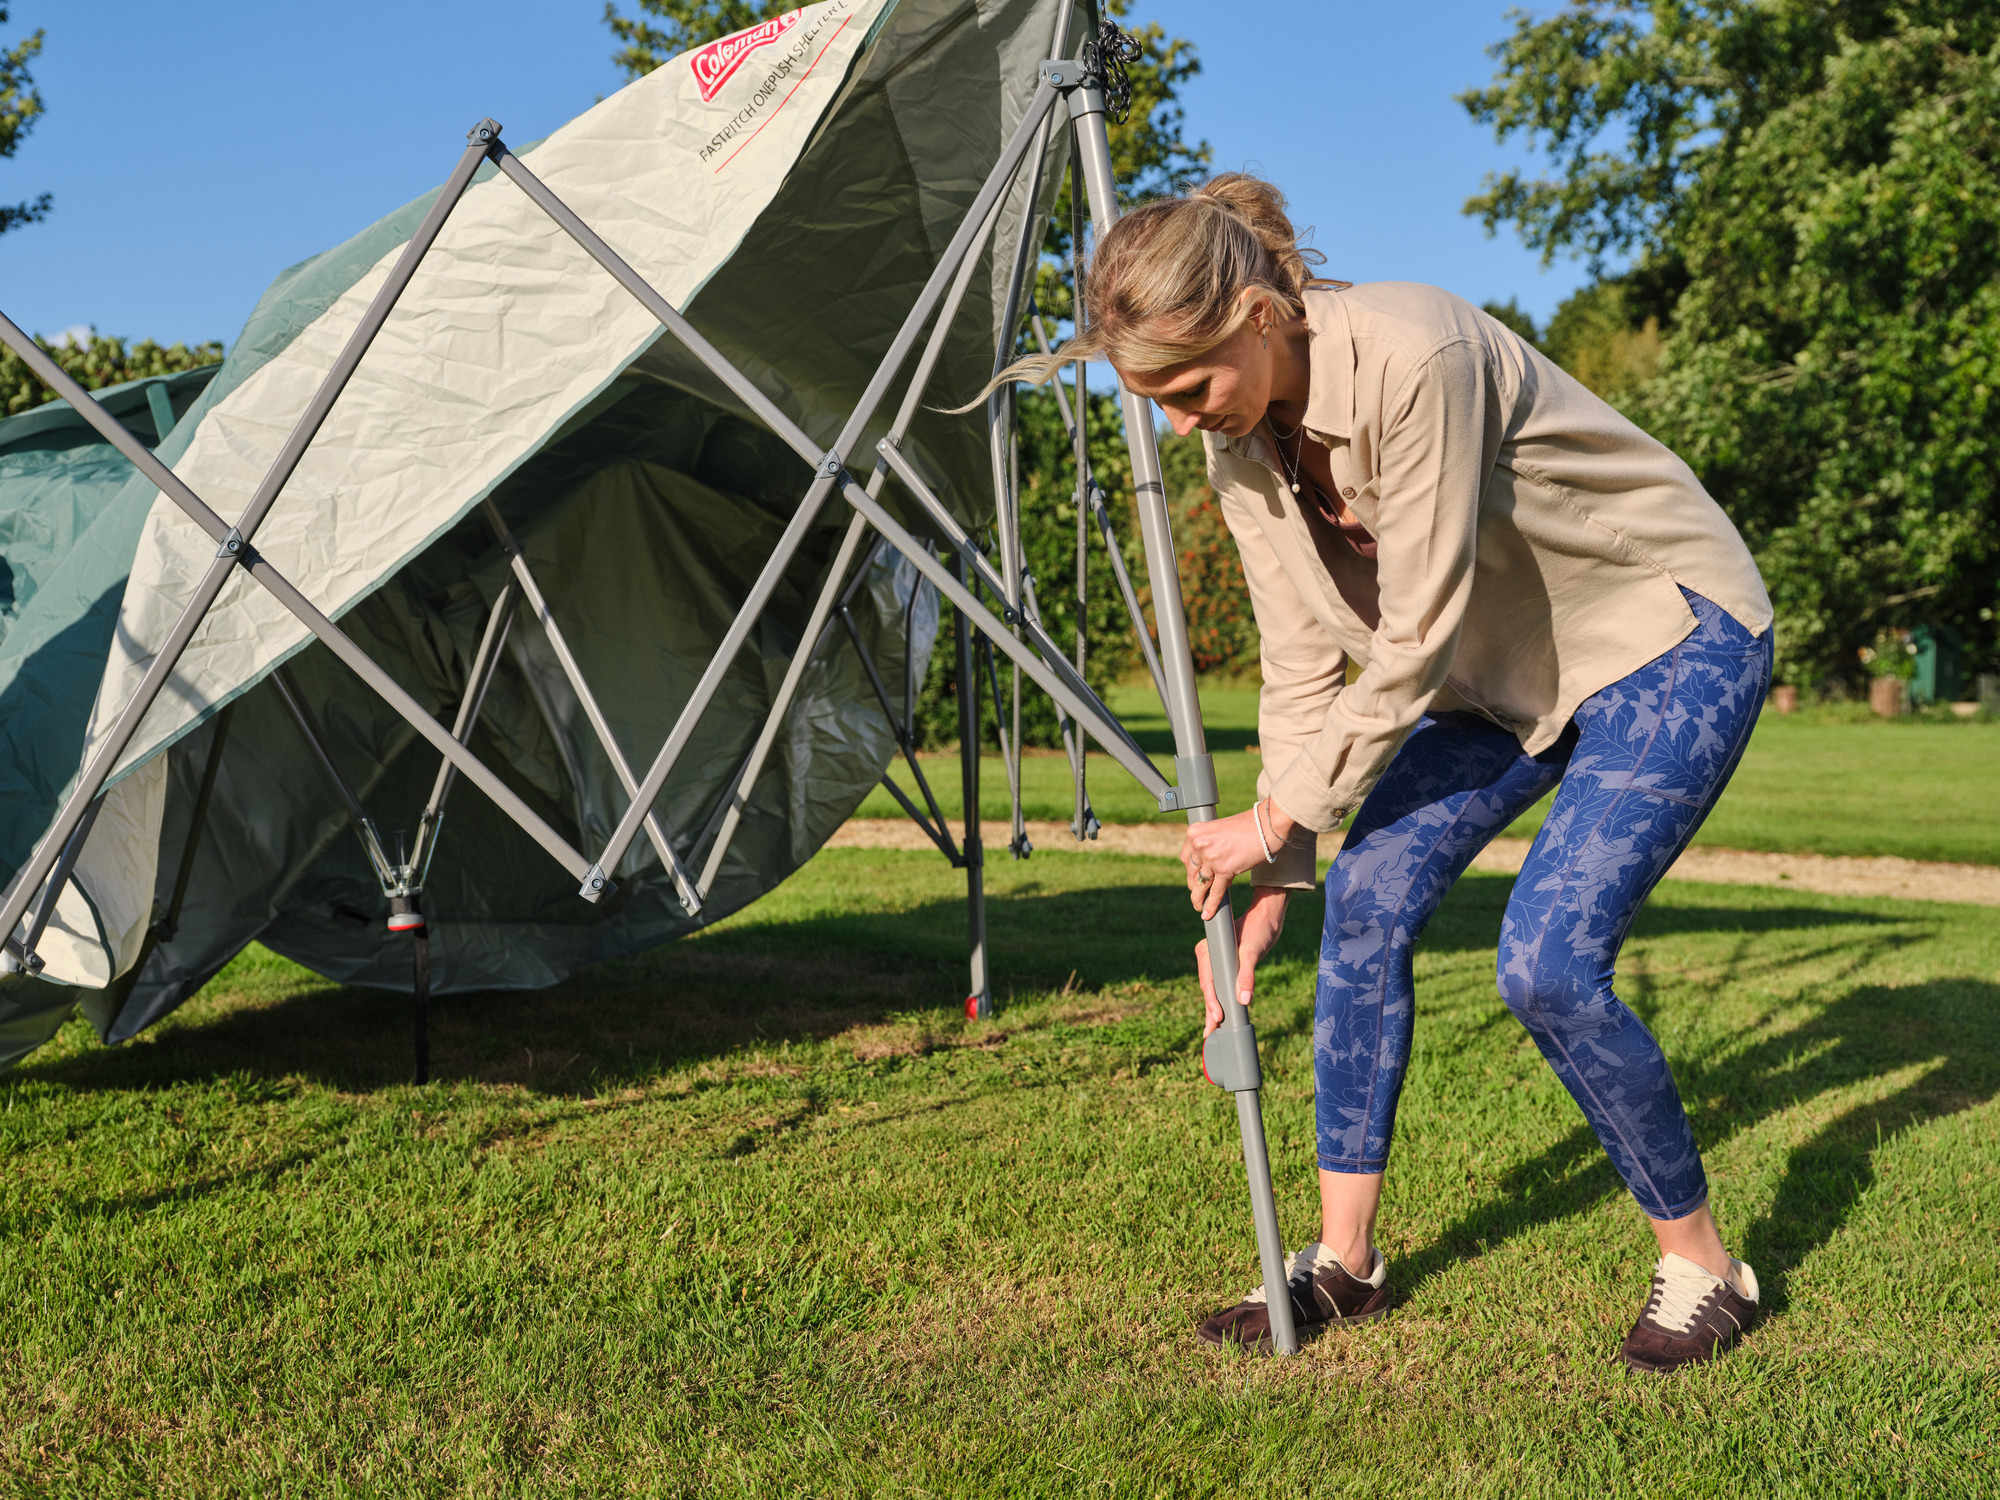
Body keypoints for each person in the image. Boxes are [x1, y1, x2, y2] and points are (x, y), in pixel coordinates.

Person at [979, 173, 1774, 1371]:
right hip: (1497, 679)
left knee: (1546, 966)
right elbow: (1302, 652)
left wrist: (1280, 814)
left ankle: (1705, 1269)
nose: (1185, 422)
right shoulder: (1241, 450)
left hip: (1660, 636)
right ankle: (1344, 1264)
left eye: (1188, 388)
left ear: (1257, 315)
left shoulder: (1416, 353)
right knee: (1363, 905)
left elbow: (1417, 623)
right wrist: (1279, 860)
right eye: (1155, 403)